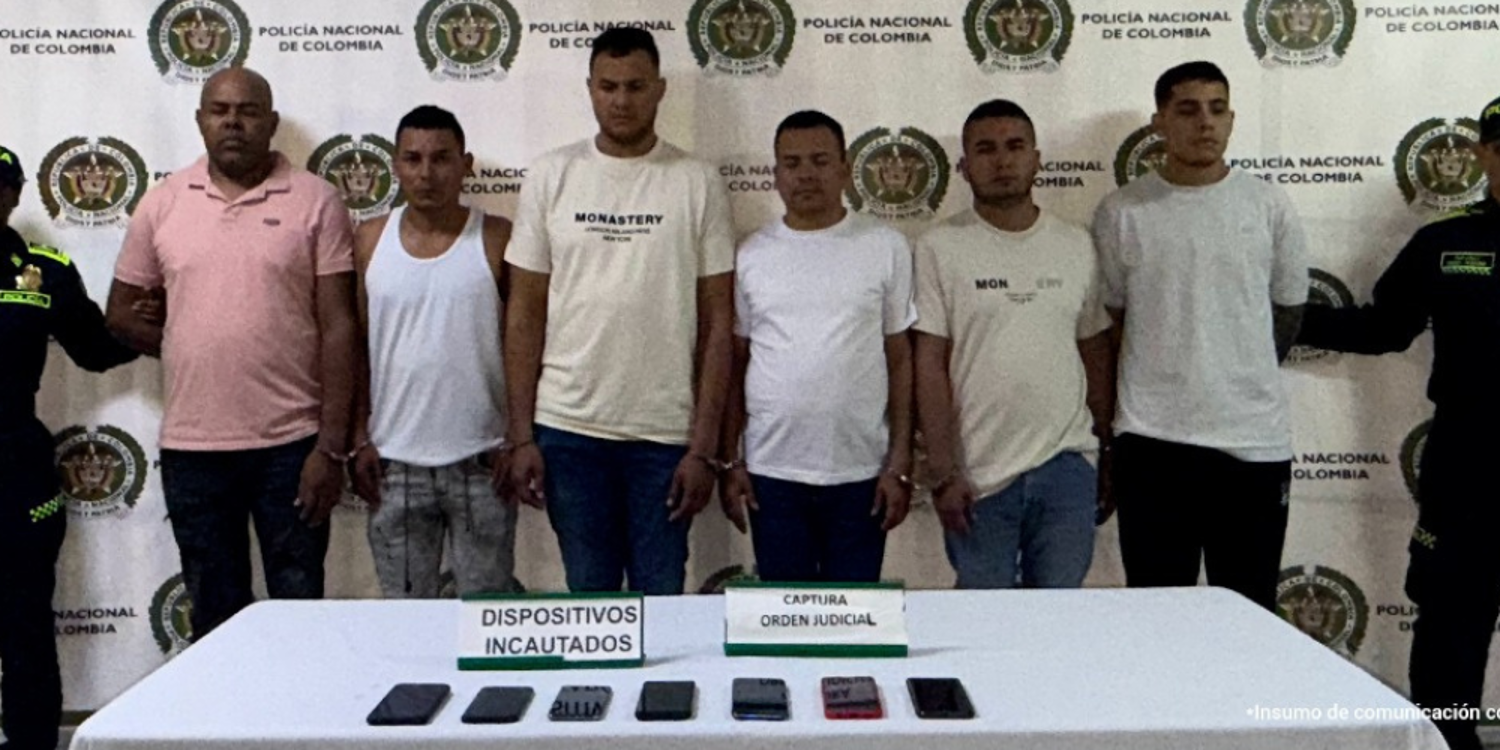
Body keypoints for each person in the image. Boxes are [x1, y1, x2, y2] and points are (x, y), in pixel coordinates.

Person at [106, 67, 358, 638]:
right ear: (201, 121)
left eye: (248, 111)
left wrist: (330, 448)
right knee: (215, 619)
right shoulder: (164, 202)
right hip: (194, 450)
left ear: (271, 122)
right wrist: (184, 338)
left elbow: (340, 327)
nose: (233, 123)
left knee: (299, 610)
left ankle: (298, 702)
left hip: (292, 446)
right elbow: (119, 314)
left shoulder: (316, 201)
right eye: (220, 111)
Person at [1297, 96, 1500, 750]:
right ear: (1483, 154)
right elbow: (1381, 329)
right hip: (1467, 468)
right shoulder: (1443, 243)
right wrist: (1274, 318)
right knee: (1449, 642)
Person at [503, 28, 734, 594]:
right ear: (590, 89)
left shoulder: (698, 181)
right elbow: (524, 314)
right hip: (567, 431)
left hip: (665, 436)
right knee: (590, 598)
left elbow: (717, 324)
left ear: (659, 90)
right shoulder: (551, 174)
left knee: (661, 596)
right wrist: (521, 436)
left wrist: (704, 449)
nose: (622, 100)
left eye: (635, 86)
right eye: (608, 86)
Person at [1091, 61, 1308, 610]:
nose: (1205, 122)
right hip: (1152, 442)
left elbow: (1288, 309)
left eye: (1217, 109)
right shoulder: (1121, 212)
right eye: (1187, 110)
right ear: (1159, 122)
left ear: (1231, 119)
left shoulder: (1268, 205)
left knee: (1250, 615)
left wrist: (1240, 371)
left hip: (1252, 444)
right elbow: (1111, 322)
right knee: (1158, 616)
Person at [913, 100, 1114, 589]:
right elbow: (929, 363)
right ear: (964, 166)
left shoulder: (1075, 243)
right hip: (978, 475)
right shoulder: (939, 247)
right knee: (986, 620)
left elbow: (1093, 350)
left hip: (1067, 463)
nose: (1002, 161)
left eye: (1014, 146)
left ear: (1036, 159)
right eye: (985, 150)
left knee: (1059, 617)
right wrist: (943, 470)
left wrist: (1107, 449)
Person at [718, 110, 915, 582]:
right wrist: (731, 459)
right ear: (775, 174)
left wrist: (900, 461)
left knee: (856, 616)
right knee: (784, 618)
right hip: (772, 472)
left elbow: (901, 359)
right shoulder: (751, 254)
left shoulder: (885, 246)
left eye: (820, 161)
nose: (806, 173)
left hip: (860, 472)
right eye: (792, 163)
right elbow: (736, 363)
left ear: (845, 169)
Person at [348, 105, 519, 598]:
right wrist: (358, 437)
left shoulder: (497, 238)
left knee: (487, 619)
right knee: (405, 620)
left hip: (482, 462)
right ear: (395, 166)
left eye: (441, 159)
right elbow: (357, 346)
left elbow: (523, 346)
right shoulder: (369, 239)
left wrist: (518, 437)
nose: (426, 173)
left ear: (466, 165)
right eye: (413, 159)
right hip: (394, 464)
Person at [0, 145, 139, 750]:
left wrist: (164, 321)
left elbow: (96, 348)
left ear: (14, 195)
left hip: (15, 467)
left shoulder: (43, 269)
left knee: (25, 625)